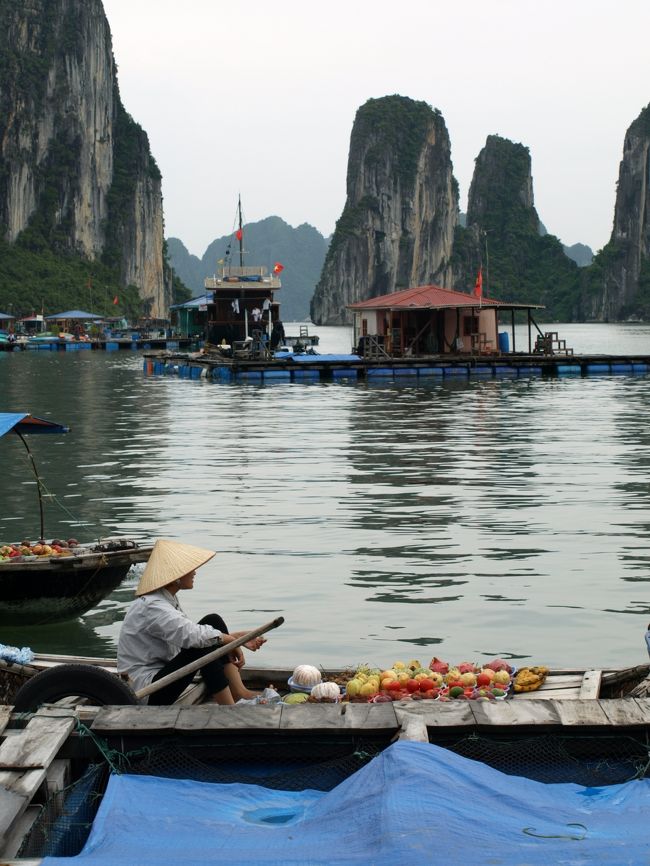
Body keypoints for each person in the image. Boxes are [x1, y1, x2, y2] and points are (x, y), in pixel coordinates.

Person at [117, 539, 266, 705]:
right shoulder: (153, 606)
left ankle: (239, 692)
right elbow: (195, 637)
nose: (194, 572)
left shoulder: (165, 600)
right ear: (176, 577)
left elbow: (190, 634)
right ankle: (229, 708)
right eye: (190, 569)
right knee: (202, 642)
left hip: (163, 678)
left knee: (212, 622)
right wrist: (232, 641)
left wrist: (238, 638)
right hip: (147, 690)